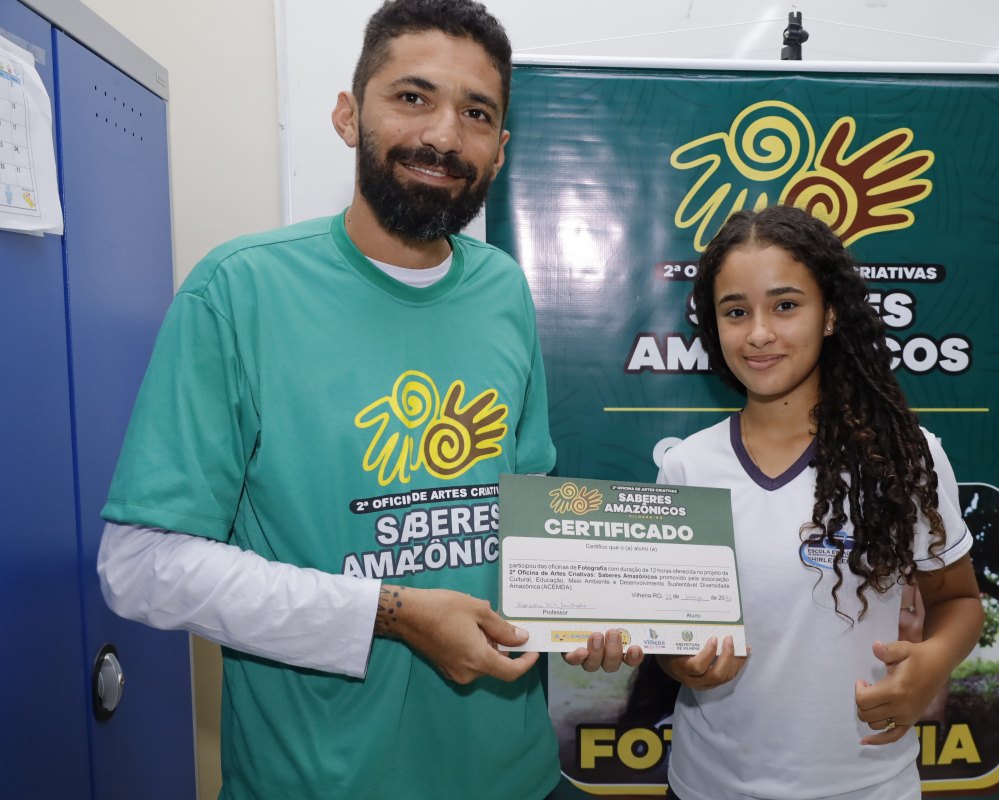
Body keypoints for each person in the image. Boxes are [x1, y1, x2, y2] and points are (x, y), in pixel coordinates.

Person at [97, 2, 632, 797]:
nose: (445, 136)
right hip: (319, 779)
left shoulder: (504, 290)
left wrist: (585, 608)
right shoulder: (239, 290)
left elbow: (523, 510)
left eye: (476, 113)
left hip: (510, 773)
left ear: (502, 148)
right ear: (349, 116)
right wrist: (392, 610)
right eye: (412, 97)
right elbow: (140, 568)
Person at [654, 205, 984, 800]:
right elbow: (673, 639)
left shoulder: (906, 458)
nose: (758, 333)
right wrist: (681, 664)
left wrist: (931, 664)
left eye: (785, 305)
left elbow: (958, 600)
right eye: (736, 311)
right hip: (708, 786)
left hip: (869, 785)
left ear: (830, 314)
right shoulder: (686, 468)